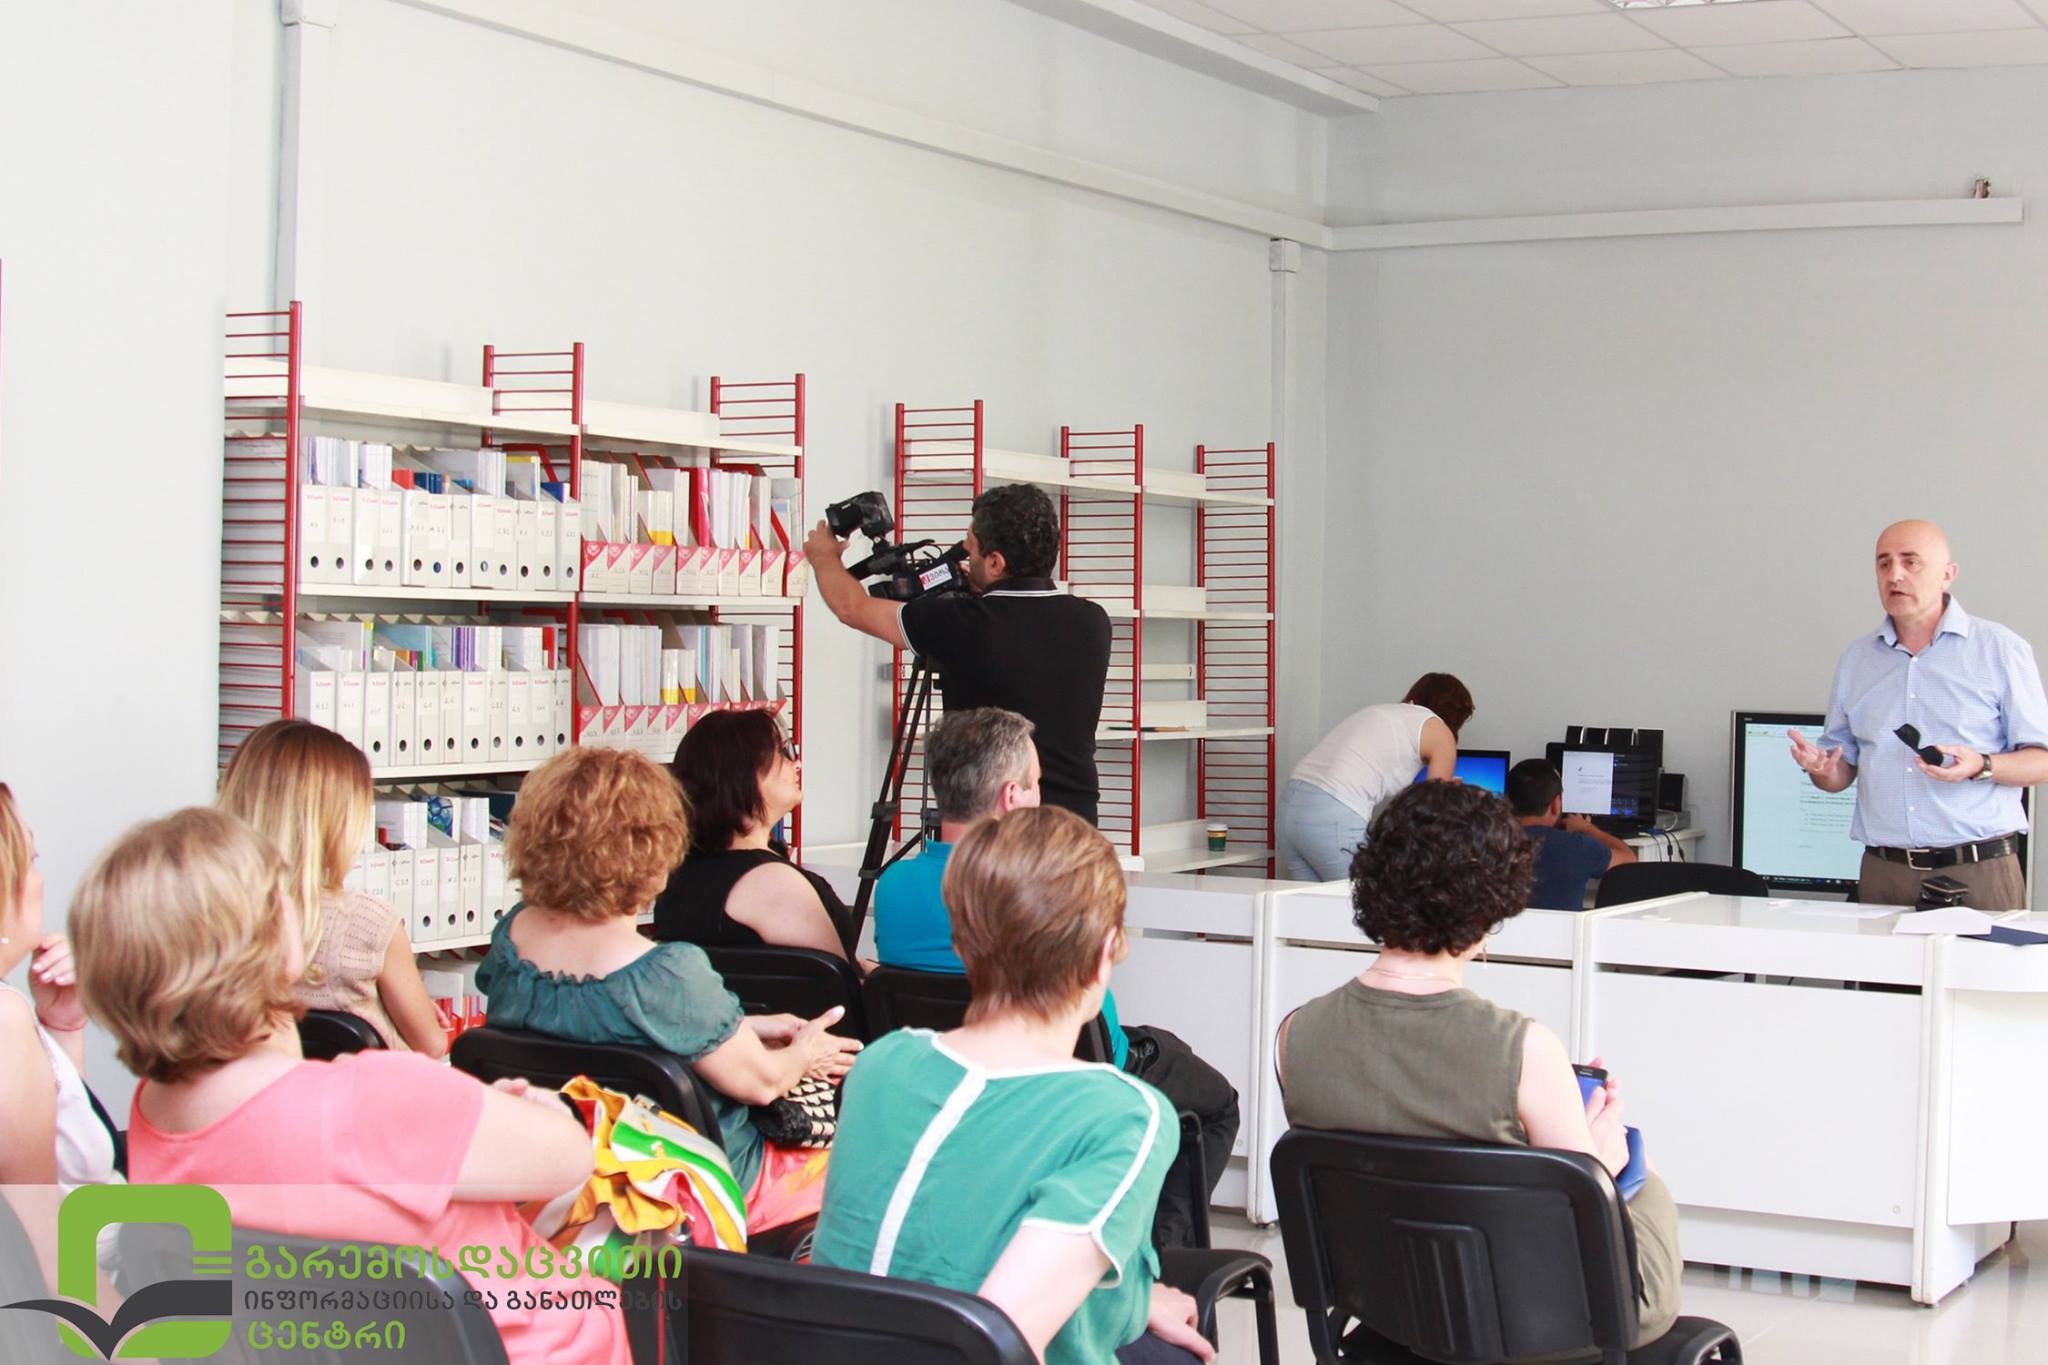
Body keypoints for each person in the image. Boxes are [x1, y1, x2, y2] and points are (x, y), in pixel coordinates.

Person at [71, 806, 630, 1365]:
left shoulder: (154, 1115)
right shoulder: (371, 1098)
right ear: (275, 941)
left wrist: (457, 1118)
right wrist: (491, 1109)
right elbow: (568, 1158)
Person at [1275, 781, 1681, 1349]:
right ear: (1496, 900)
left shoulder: (1295, 1035)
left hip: (1387, 1305)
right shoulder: (1526, 1049)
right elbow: (1583, 1226)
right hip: (1539, 1320)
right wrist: (1603, 1163)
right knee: (1641, 1167)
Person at [816, 807, 1213, 1365]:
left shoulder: (882, 1064)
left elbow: (946, 1245)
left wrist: (1135, 1302)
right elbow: (993, 1340)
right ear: (1104, 955)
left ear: (961, 944)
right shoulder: (1122, 1118)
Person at [873, 708, 1239, 1249]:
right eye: (1036, 784)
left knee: (1168, 1048)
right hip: (1077, 1067)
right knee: (1217, 1102)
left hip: (948, 1071)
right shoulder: (1040, 886)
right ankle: (1162, 1259)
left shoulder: (893, 885)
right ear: (1010, 796)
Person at [478, 746, 860, 1239]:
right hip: (691, 1181)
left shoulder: (509, 943)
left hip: (556, 1170)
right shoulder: (665, 974)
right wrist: (806, 1050)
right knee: (867, 1158)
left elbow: (595, 1030)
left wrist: (746, 1027)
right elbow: (763, 1082)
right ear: (652, 849)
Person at [806, 482, 1113, 824]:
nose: (964, 553)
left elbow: (852, 607)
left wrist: (823, 557)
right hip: (1075, 824)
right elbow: (1024, 632)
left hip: (994, 826)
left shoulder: (962, 623)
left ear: (995, 562)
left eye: (971, 548)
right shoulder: (1093, 621)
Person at [1790, 520, 2048, 910]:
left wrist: (1981, 765)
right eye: (1884, 564)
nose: (1895, 575)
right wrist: (1822, 770)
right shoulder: (1857, 660)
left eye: (1911, 562)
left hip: (1977, 869)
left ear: (1948, 574)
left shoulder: (2000, 649)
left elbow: (2041, 761)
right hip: (1883, 871)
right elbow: (1840, 772)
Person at [217, 718, 445, 1054]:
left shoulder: (211, 914)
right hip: (360, 1086)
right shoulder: (370, 921)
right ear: (338, 821)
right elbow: (432, 1044)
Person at [0, 783, 121, 1283]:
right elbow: (45, 1246)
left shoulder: (13, 1010)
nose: (39, 878)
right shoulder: (4, 1020)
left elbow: (66, 1155)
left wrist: (62, 1027)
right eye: (30, 859)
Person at [651, 708, 852, 957]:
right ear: (742, 773)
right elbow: (834, 975)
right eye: (783, 752)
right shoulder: (772, 881)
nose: (797, 764)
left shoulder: (676, 876)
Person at [1277, 672, 1474, 881]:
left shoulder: (1381, 711)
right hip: (1333, 813)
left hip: (1289, 809)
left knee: (1312, 900)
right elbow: (1432, 809)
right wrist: (1451, 794)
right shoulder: (1440, 731)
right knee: (1365, 897)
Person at [1506, 758, 1638, 909]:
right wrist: (1586, 828)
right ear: (1556, 804)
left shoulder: (1488, 844)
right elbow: (1629, 857)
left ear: (1507, 801)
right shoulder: (1578, 847)